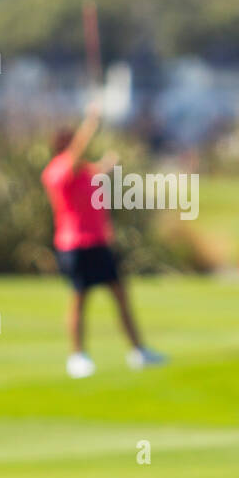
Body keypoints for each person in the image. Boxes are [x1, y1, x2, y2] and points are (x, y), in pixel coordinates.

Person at [40, 101, 166, 378]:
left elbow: (95, 170)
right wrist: (91, 121)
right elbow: (77, 155)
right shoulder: (58, 170)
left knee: (121, 296)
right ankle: (77, 357)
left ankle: (138, 351)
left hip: (98, 243)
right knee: (79, 300)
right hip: (75, 245)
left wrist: (109, 162)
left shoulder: (83, 169)